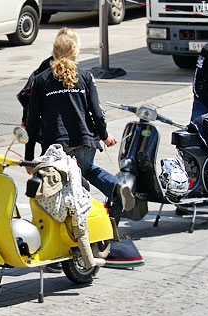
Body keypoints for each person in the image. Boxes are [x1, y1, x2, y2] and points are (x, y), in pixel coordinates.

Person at [24, 27, 135, 272]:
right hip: (86, 141)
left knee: (63, 193)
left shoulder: (41, 79)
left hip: (58, 146)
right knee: (85, 171)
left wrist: (29, 155)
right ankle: (115, 187)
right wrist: (104, 136)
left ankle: (68, 248)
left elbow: (32, 121)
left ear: (53, 52)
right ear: (75, 53)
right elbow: (97, 112)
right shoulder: (85, 76)